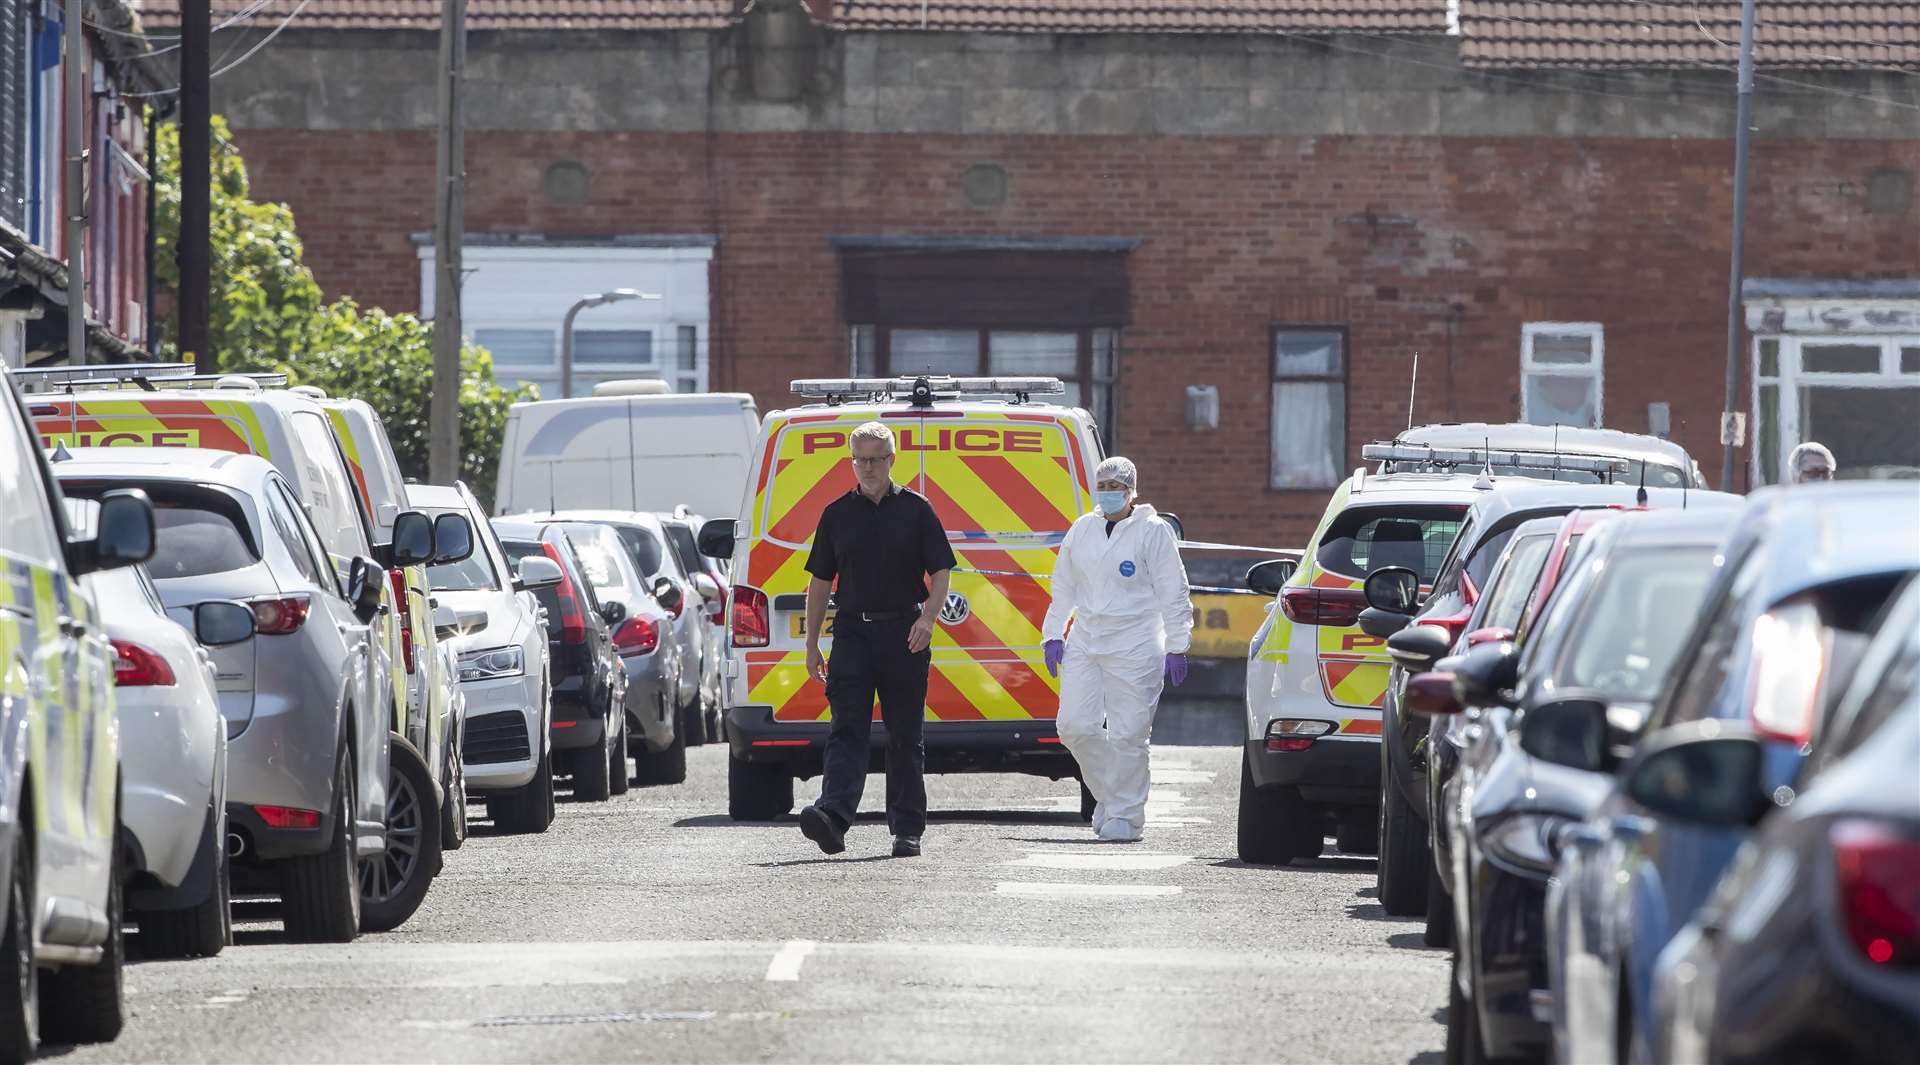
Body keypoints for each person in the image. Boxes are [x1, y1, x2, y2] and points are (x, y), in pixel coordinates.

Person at [798, 421, 956, 859]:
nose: (867, 468)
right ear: (852, 462)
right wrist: (812, 644)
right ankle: (832, 817)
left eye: (875, 459)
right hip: (851, 632)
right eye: (860, 460)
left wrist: (928, 618)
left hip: (904, 633)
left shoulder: (917, 510)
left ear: (891, 460)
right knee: (845, 728)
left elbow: (941, 570)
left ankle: (907, 830)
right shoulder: (836, 514)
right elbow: (821, 582)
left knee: (905, 735)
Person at [1040, 456, 1192, 843]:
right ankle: (1114, 797)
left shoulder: (1153, 531)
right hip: (1087, 637)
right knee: (1073, 726)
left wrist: (1177, 644)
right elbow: (1063, 586)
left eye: (1115, 487)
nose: (1108, 493)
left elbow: (1173, 591)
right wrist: (1053, 633)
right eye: (1102, 486)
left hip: (1137, 640)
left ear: (1131, 491)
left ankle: (1125, 817)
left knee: (1128, 734)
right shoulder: (1083, 529)